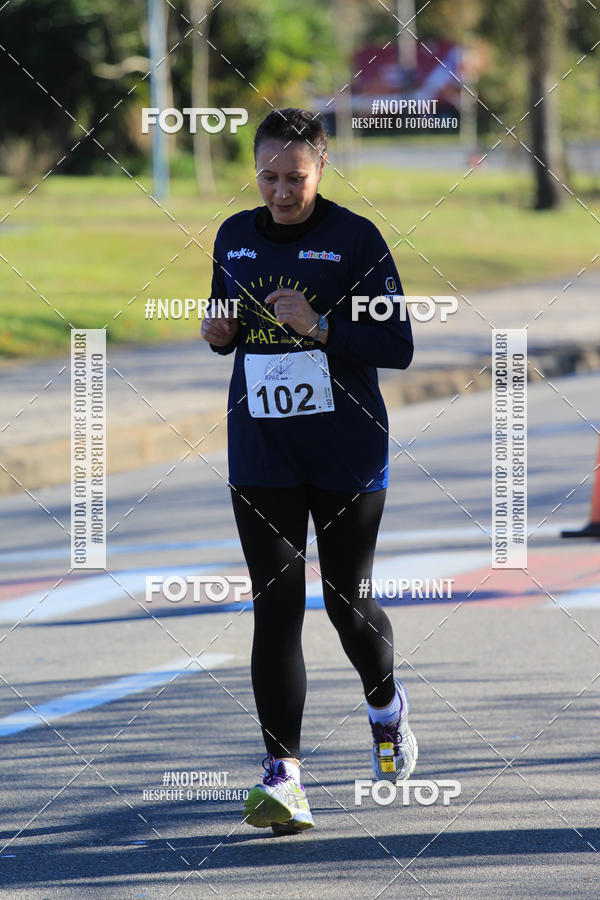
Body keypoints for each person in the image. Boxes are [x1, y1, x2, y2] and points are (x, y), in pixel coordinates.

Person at [201, 108, 417, 835]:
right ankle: (283, 776)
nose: (281, 191)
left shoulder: (356, 239)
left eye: (295, 177)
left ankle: (385, 707)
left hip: (344, 447)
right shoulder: (234, 236)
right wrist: (219, 334)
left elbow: (398, 346)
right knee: (276, 605)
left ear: (322, 168)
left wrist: (320, 327)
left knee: (347, 602)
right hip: (262, 447)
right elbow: (224, 324)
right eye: (269, 176)